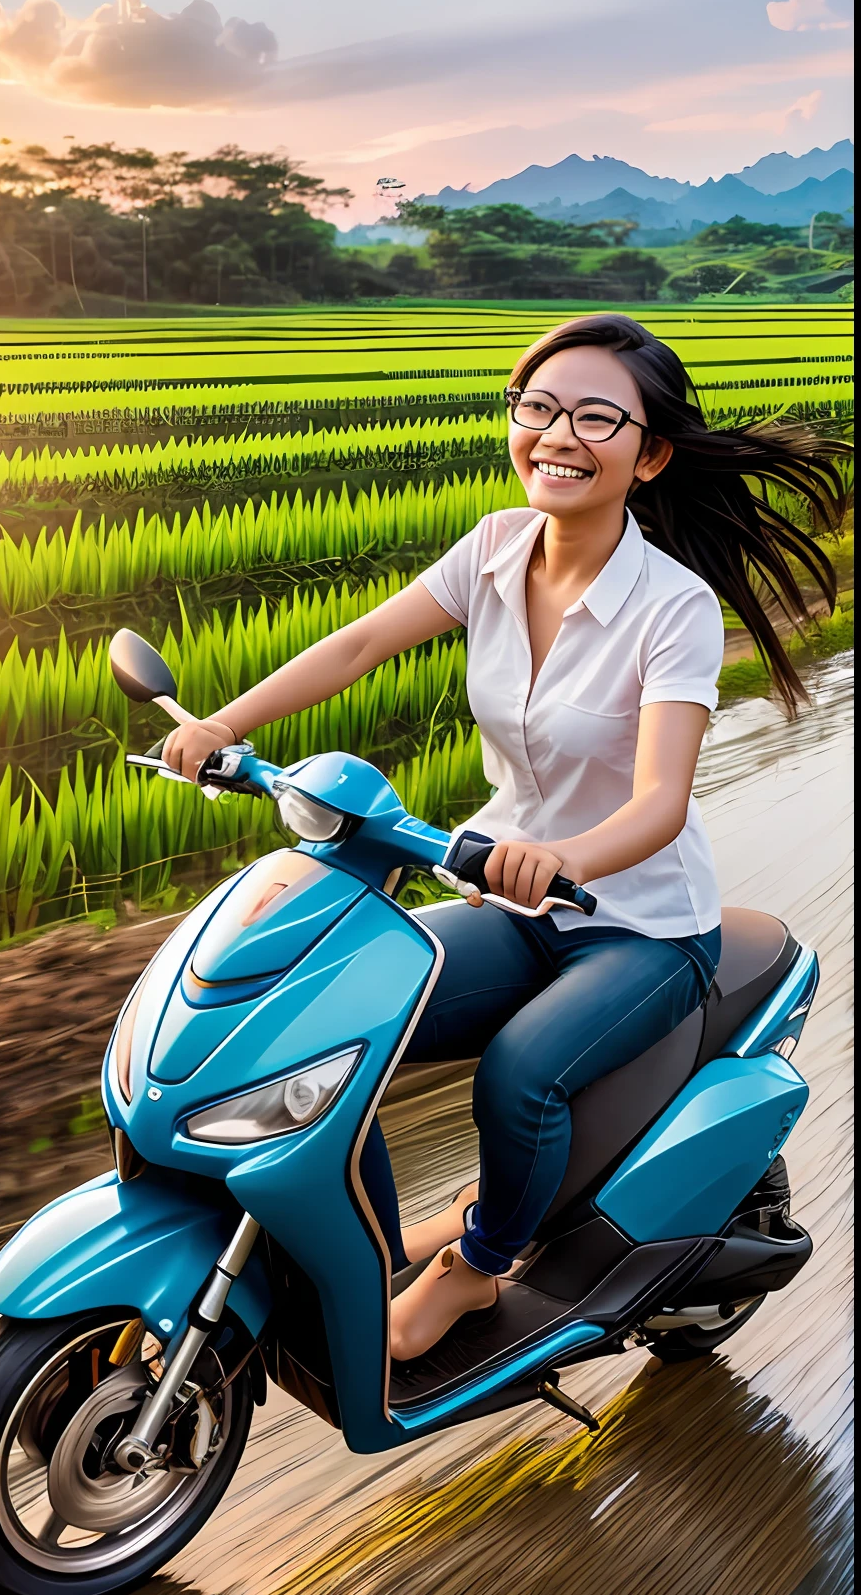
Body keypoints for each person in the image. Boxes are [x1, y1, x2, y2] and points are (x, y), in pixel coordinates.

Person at [161, 314, 848, 1362]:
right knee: (337, 1018)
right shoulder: (492, 546)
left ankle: (474, 1267)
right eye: (536, 407)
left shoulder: (672, 606)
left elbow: (659, 800)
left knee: (518, 1075)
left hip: (639, 926)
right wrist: (222, 726)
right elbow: (357, 642)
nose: (555, 434)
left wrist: (565, 857)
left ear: (647, 453)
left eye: (593, 417)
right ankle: (358, 1243)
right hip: (505, 897)